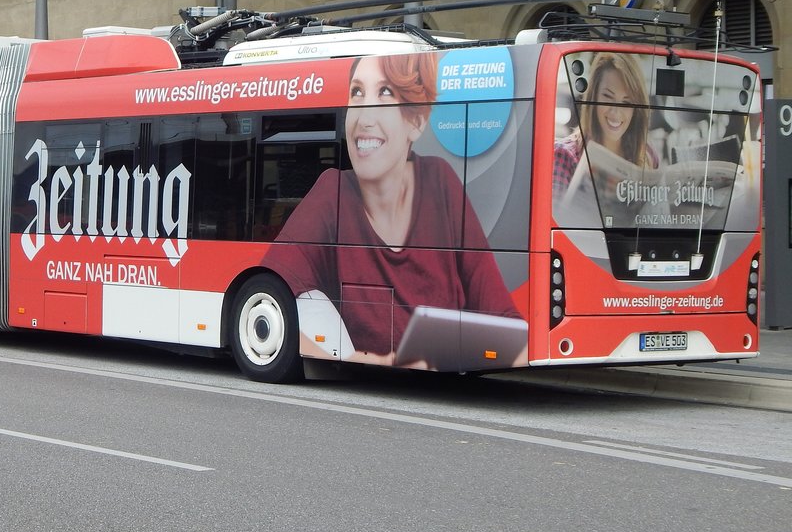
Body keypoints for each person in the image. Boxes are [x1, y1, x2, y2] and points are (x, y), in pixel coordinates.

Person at [263, 52, 520, 366]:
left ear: (416, 121)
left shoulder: (440, 183)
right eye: (357, 93)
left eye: (384, 92)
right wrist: (362, 359)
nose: (364, 117)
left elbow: (505, 320)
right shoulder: (334, 193)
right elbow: (270, 291)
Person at [553, 52, 657, 193]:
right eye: (607, 97)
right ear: (593, 96)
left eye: (626, 102)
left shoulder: (647, 156)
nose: (615, 112)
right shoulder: (565, 155)